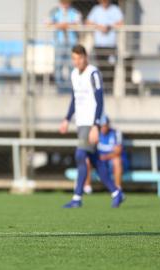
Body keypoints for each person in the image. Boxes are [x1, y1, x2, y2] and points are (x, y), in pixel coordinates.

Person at [59, 44, 124, 208]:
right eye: (74, 58)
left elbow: (100, 99)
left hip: (91, 122)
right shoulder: (74, 74)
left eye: (79, 58)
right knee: (95, 160)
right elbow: (75, 98)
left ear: (85, 57)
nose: (77, 62)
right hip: (81, 122)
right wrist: (67, 118)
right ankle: (116, 192)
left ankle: (77, 197)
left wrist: (96, 124)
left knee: (80, 154)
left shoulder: (93, 73)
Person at [86, 0, 124, 94]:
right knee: (99, 69)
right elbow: (88, 22)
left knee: (110, 69)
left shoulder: (115, 9)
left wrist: (109, 26)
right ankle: (99, 91)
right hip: (99, 45)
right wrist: (99, 27)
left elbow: (121, 23)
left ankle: (109, 92)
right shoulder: (96, 9)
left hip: (111, 46)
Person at [84, 115, 129, 193]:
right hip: (100, 161)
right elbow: (89, 149)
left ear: (108, 125)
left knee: (116, 161)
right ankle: (87, 187)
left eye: (105, 126)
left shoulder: (115, 133)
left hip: (112, 161)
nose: (103, 128)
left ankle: (117, 189)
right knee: (87, 160)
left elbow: (118, 152)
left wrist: (104, 157)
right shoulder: (95, 133)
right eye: (101, 126)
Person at [48, 0, 82, 93]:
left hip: (72, 44)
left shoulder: (75, 12)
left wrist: (67, 25)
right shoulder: (54, 11)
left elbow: (78, 24)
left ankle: (70, 89)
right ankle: (60, 89)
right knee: (58, 67)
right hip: (59, 43)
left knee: (72, 67)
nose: (65, 3)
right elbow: (48, 24)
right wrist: (61, 25)